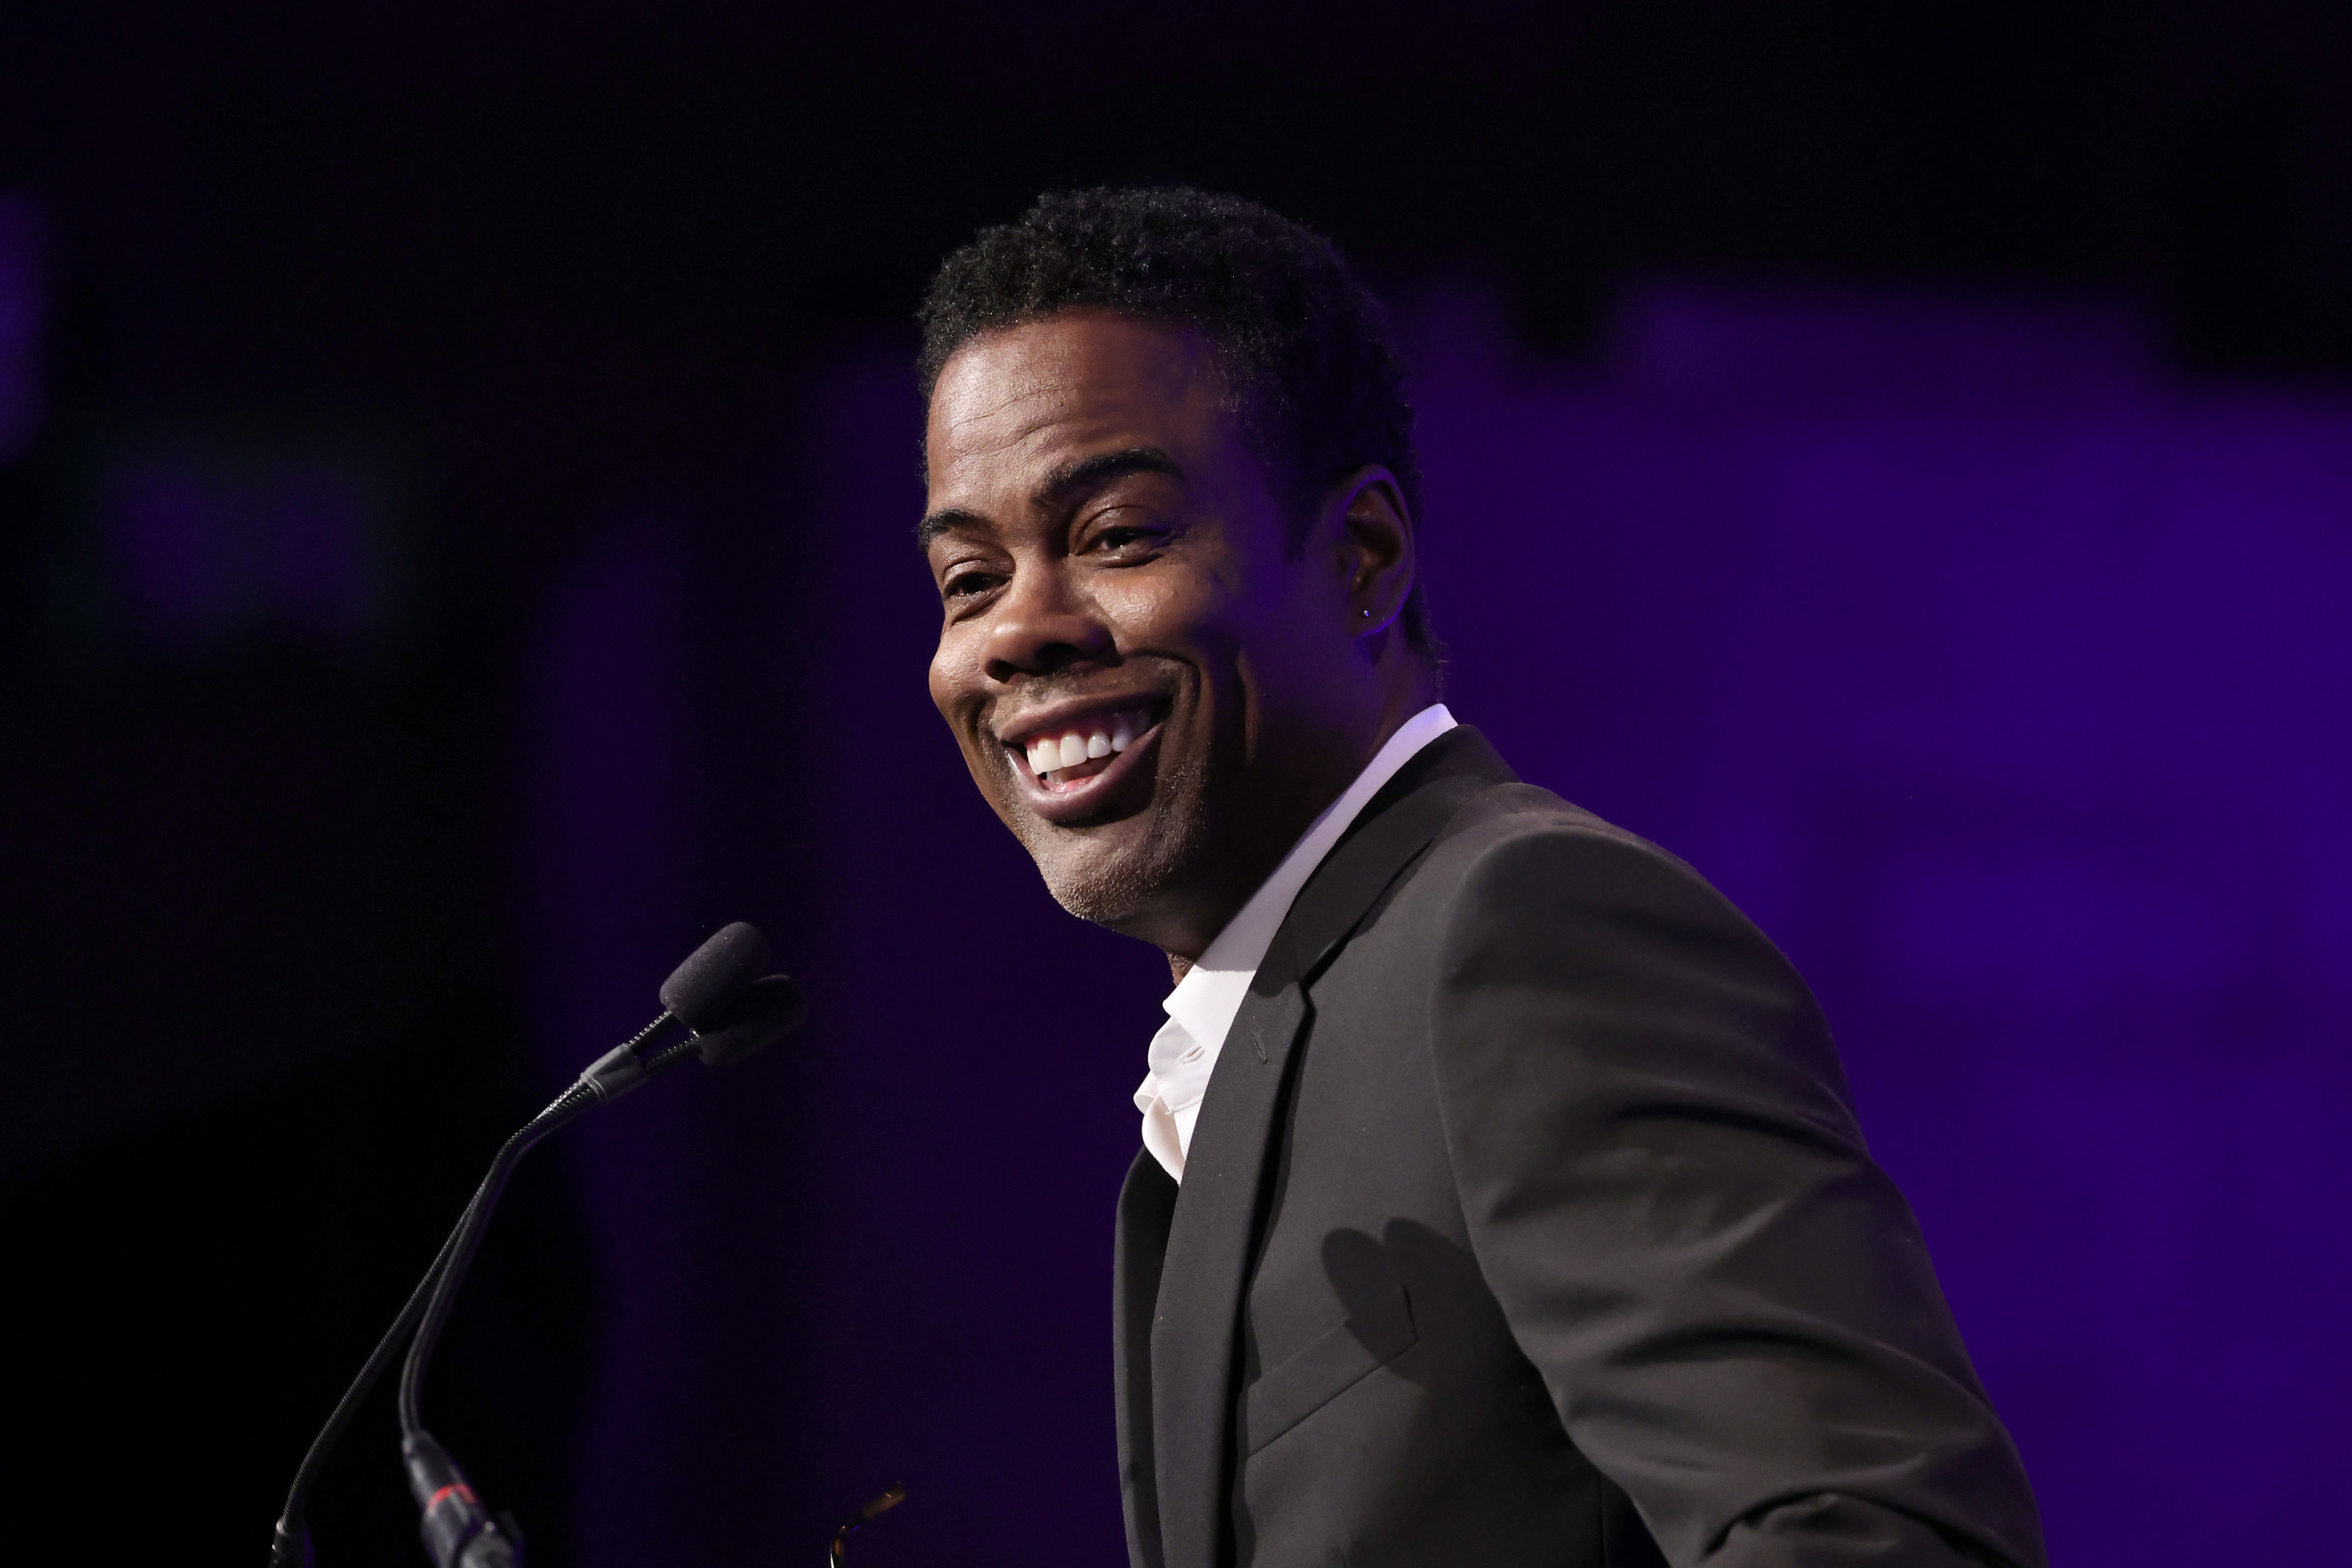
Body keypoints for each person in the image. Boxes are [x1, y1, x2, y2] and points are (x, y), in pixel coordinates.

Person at [913, 187, 2045, 1568]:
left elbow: (1878, 1532)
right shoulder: (1266, 1040)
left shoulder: (1524, 933)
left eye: (1118, 535)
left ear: (1365, 557)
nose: (1015, 632)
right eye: (968, 579)